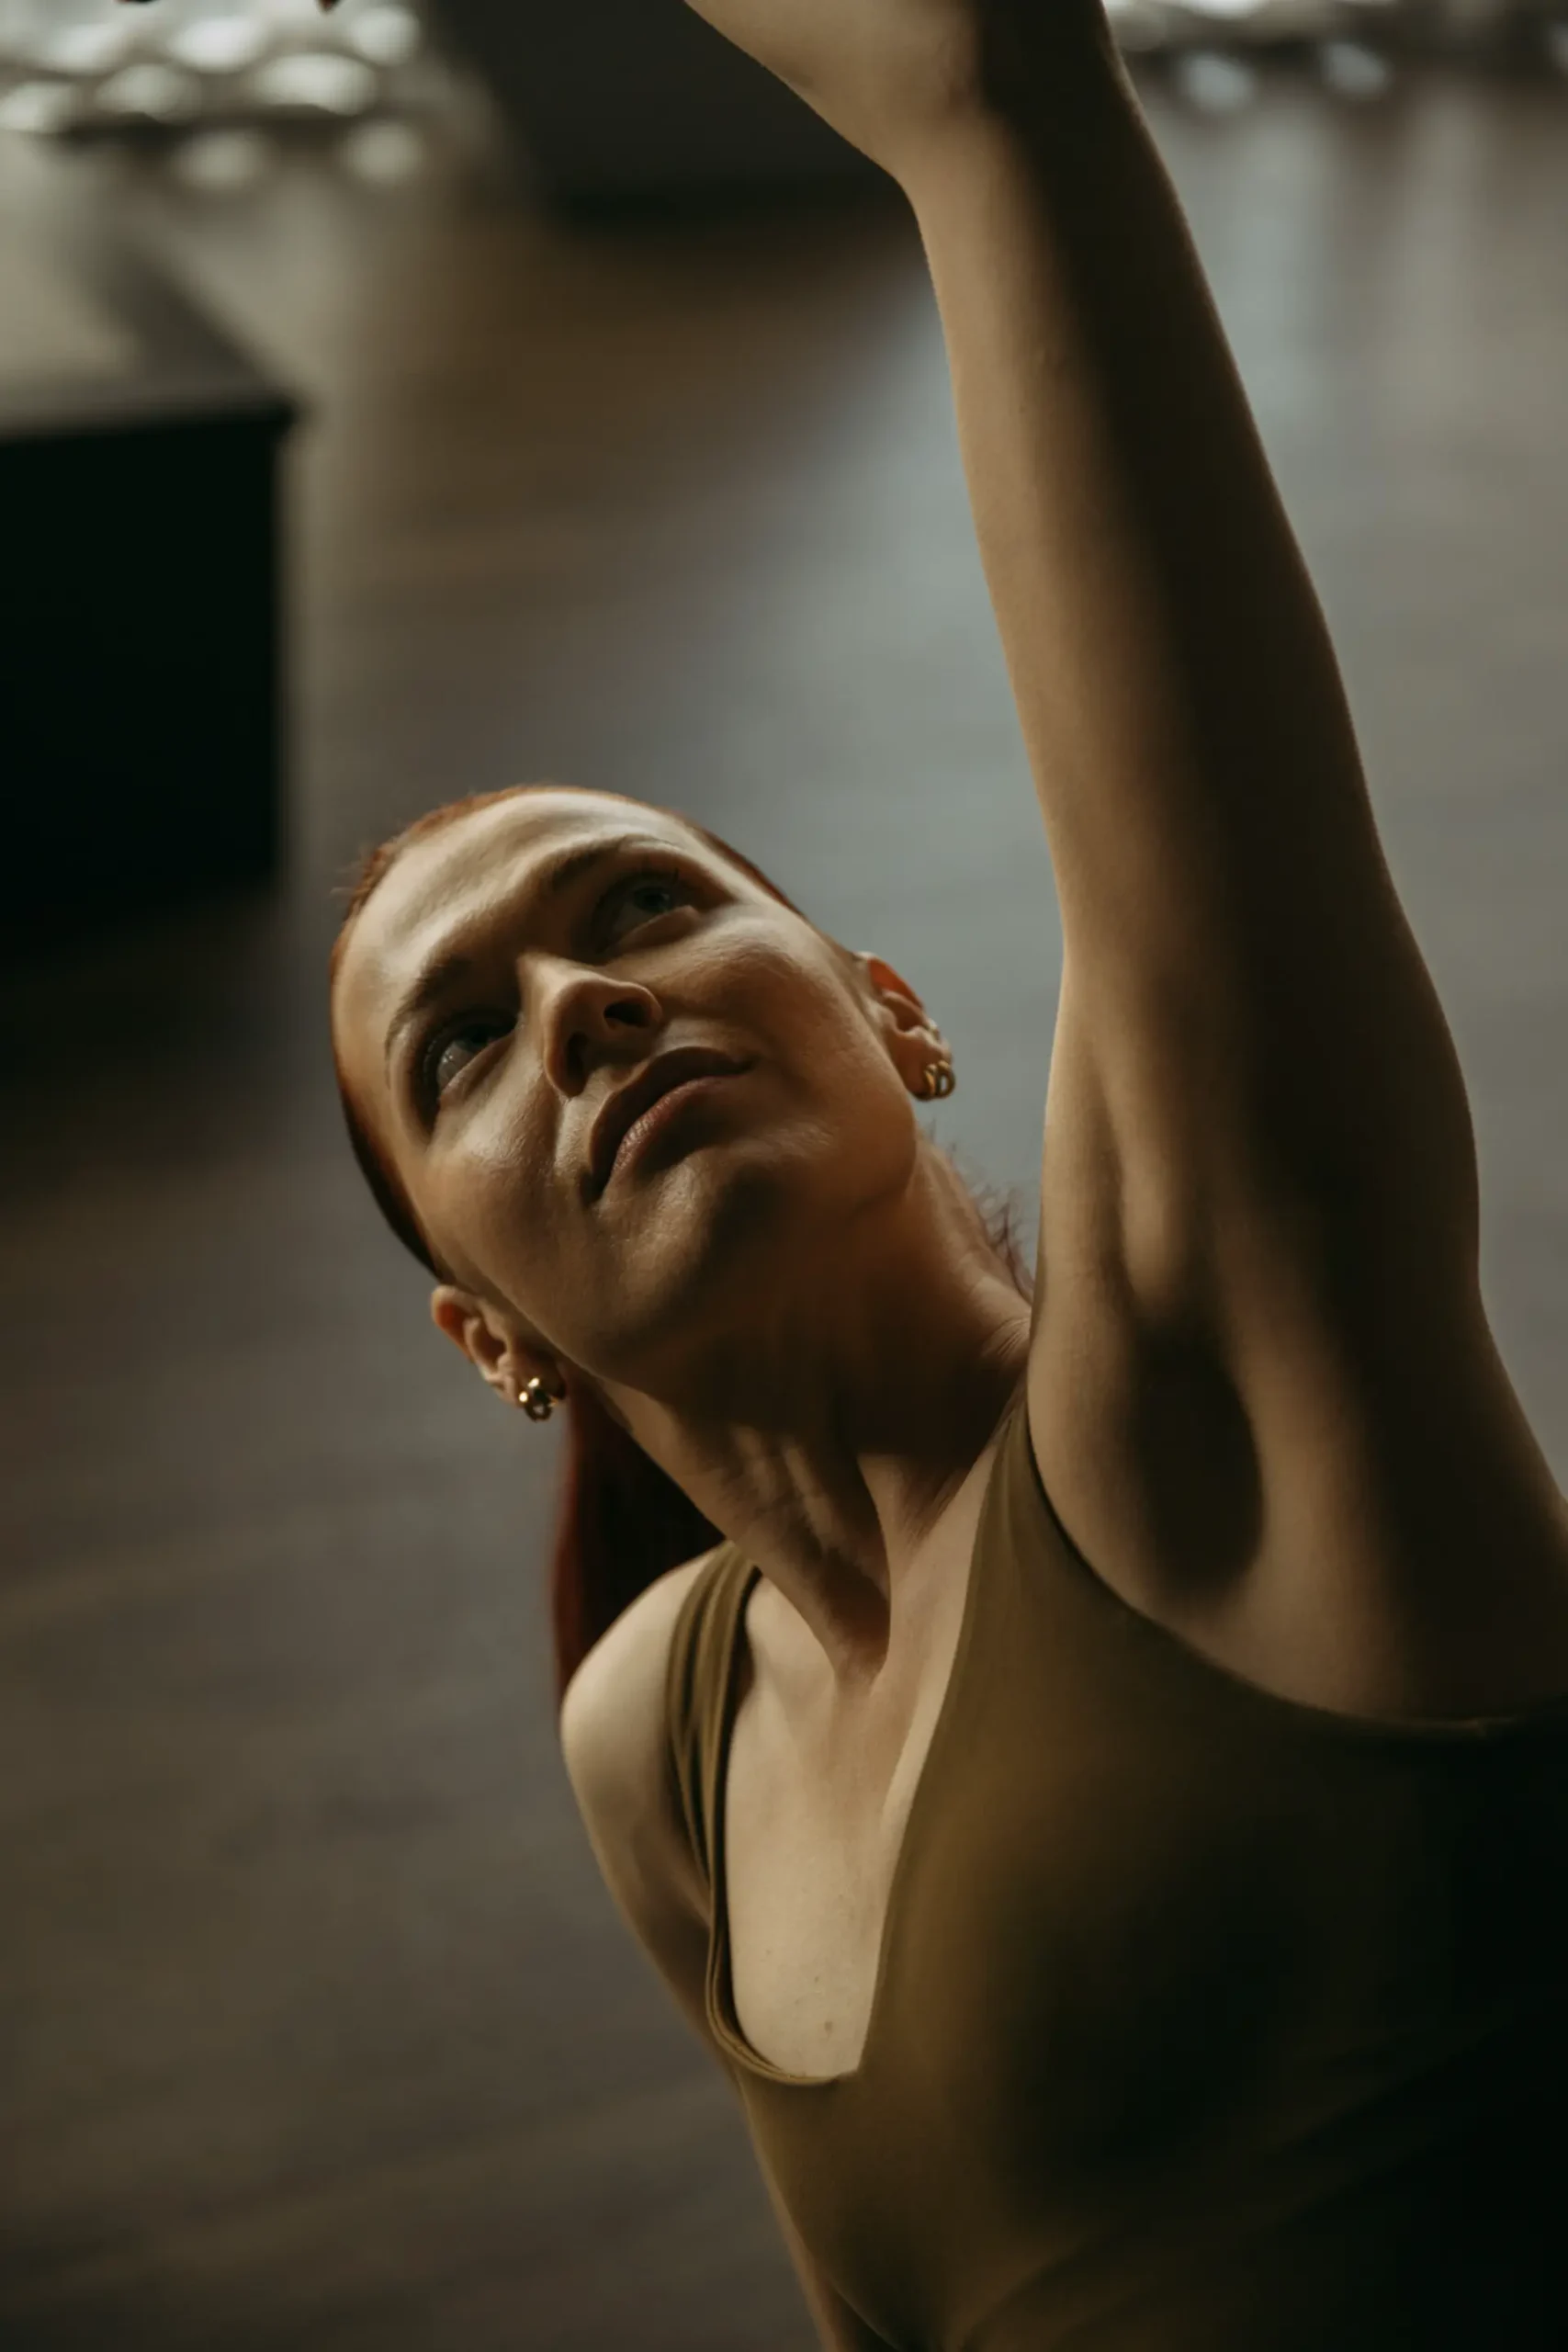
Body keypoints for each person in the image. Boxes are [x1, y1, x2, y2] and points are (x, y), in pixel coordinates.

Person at [327, 1, 1568, 2343]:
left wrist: (989, 121)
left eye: (647, 907)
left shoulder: (1216, 1427)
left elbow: (1000, 99)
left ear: (889, 1015)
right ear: (486, 1332)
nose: (585, 1001)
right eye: (465, 1040)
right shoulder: (660, 1746)